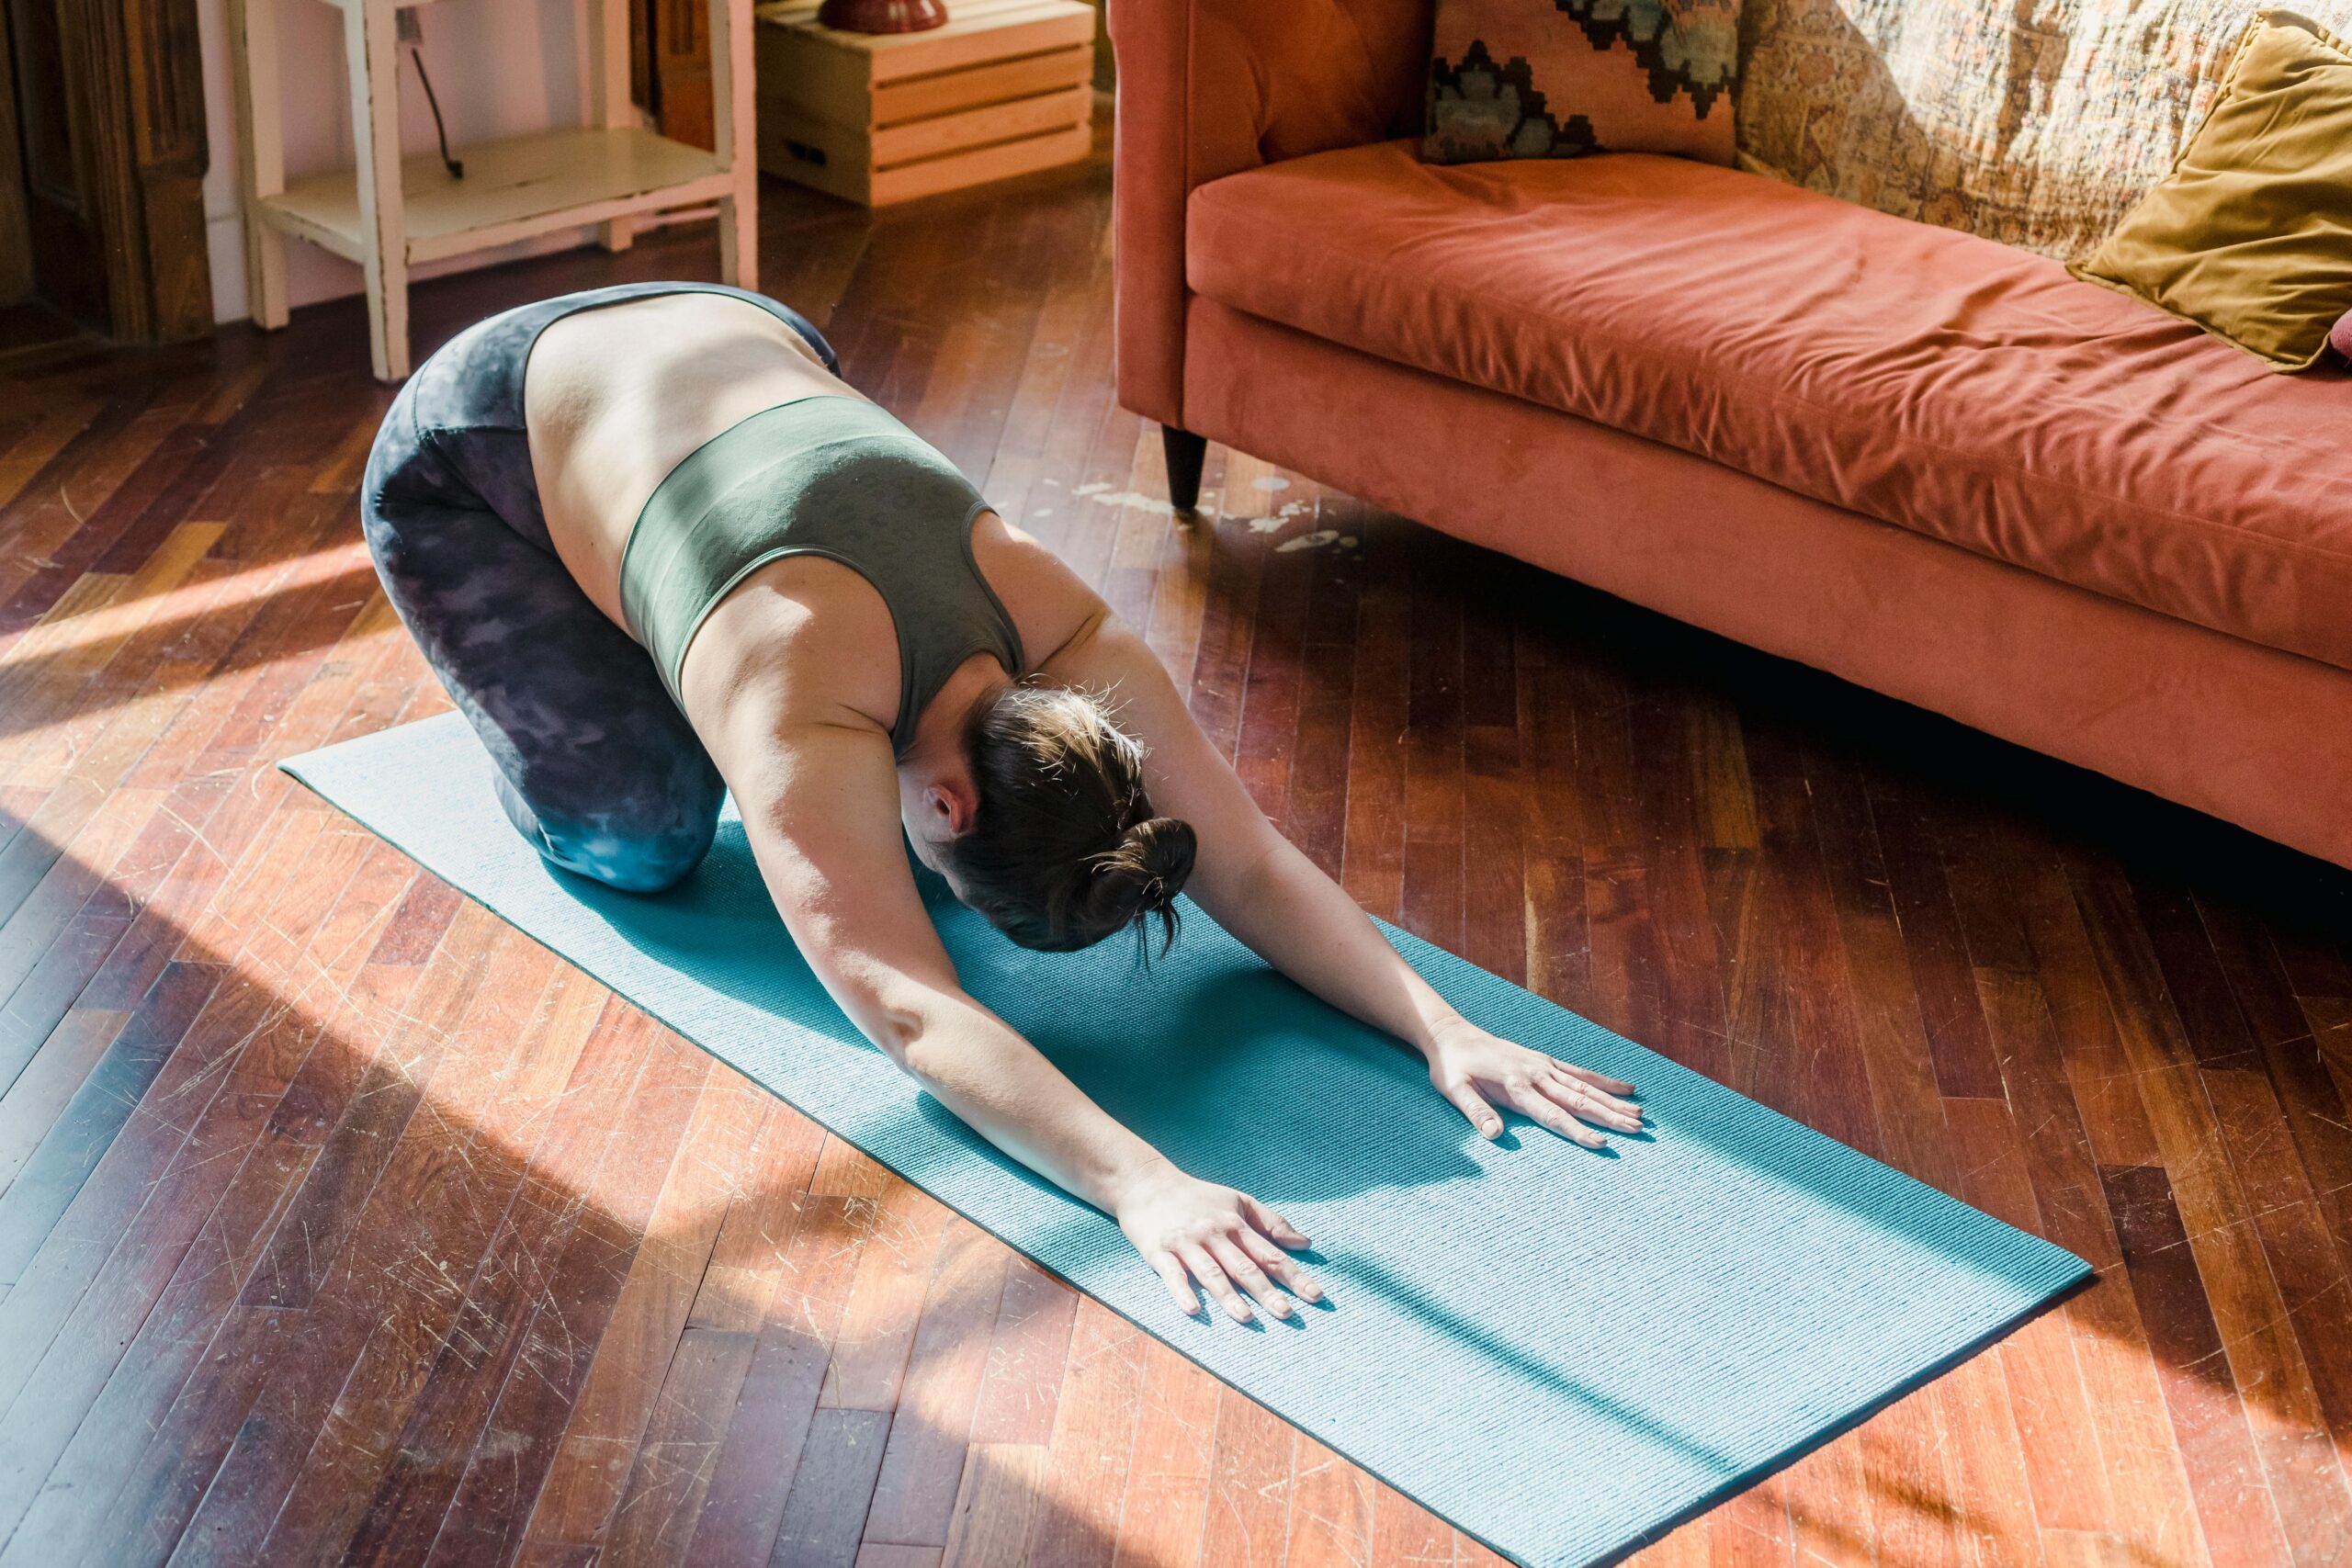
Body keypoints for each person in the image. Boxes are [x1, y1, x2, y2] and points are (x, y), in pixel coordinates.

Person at [360, 283, 1643, 1325]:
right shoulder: (796, 689)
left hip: (743, 337)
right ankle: (572, 682)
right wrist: (1140, 1185)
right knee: (640, 838)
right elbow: (916, 1011)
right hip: (479, 442)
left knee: (794, 789)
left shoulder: (1068, 637)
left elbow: (1243, 865)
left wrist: (1444, 1030)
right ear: (957, 807)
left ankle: (640, 626)